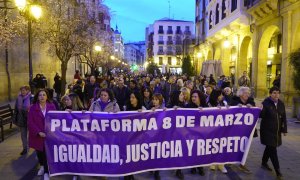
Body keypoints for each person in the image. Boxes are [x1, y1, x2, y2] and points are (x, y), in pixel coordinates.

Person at [28, 89, 56, 180]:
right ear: (37, 97)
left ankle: (46, 172)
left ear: (47, 96)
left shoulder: (52, 106)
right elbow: (30, 122)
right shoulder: (33, 108)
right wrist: (38, 132)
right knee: (39, 152)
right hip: (37, 135)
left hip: (48, 135)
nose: (42, 96)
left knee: (46, 154)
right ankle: (42, 166)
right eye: (40, 95)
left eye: (44, 95)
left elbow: (57, 118)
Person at [260, 86, 287, 178]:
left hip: (277, 131)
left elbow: (284, 117)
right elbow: (261, 116)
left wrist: (284, 129)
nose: (276, 95)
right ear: (270, 94)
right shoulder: (266, 103)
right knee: (273, 149)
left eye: (278, 93)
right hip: (267, 130)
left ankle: (264, 162)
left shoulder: (281, 104)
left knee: (269, 147)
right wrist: (260, 108)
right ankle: (278, 171)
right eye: (274, 93)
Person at [230, 87, 255, 174]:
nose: (247, 95)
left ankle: (242, 163)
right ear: (240, 94)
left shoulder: (251, 101)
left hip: (246, 130)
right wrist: (236, 106)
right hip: (235, 129)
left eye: (248, 93)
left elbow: (256, 112)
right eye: (245, 93)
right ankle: (231, 160)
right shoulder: (234, 100)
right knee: (234, 145)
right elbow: (228, 110)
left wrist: (251, 107)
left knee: (245, 146)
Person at [187, 90, 207, 176]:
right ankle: (193, 166)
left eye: (195, 96)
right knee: (193, 150)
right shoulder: (188, 106)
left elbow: (214, 113)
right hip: (192, 132)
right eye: (192, 96)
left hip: (202, 133)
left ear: (200, 97)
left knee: (201, 150)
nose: (193, 98)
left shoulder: (205, 106)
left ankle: (200, 167)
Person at [207, 90, 228, 174]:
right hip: (212, 129)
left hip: (222, 129)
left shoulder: (224, 102)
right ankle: (212, 163)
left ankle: (221, 165)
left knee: (222, 146)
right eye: (220, 95)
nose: (222, 96)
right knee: (213, 146)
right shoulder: (209, 103)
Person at [14, 85, 32, 155]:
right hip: (21, 118)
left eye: (24, 90)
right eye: (22, 90)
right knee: (23, 134)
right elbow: (16, 108)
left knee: (31, 133)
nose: (23, 91)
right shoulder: (19, 98)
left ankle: (30, 145)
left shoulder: (31, 98)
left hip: (29, 118)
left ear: (28, 91)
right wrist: (15, 117)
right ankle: (25, 148)